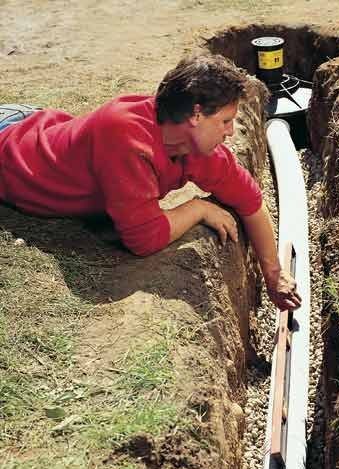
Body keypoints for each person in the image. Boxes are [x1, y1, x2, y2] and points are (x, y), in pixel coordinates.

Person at [0, 55, 301, 311]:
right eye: (225, 121)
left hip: (31, 121)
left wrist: (274, 275)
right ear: (196, 115)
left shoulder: (195, 147)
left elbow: (250, 201)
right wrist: (198, 209)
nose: (231, 132)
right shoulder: (126, 138)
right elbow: (144, 239)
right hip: (8, 154)